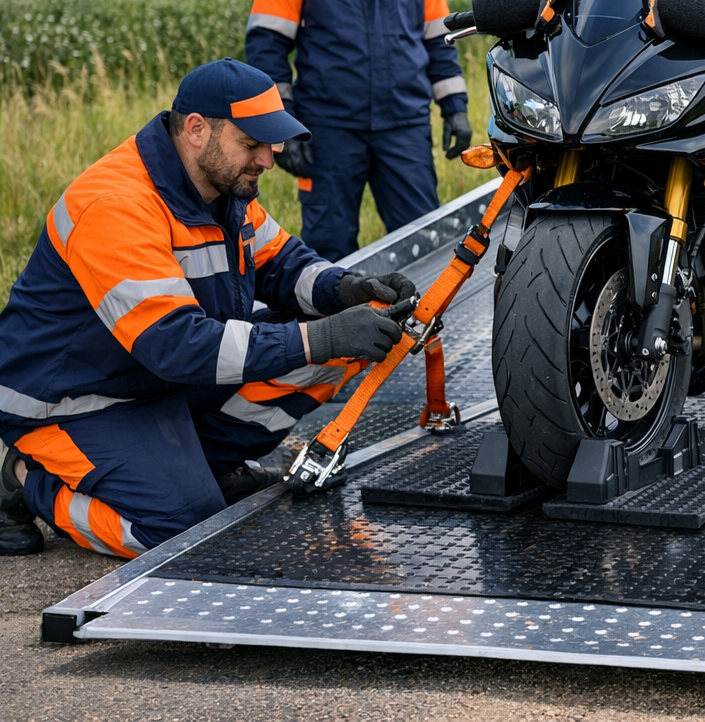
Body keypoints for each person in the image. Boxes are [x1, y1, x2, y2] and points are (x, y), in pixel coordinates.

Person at [0, 59, 417, 558]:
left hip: (153, 381)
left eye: (274, 143)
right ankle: (25, 476)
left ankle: (207, 465)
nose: (268, 158)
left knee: (335, 347)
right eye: (252, 143)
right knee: (179, 532)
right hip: (74, 402)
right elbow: (177, 345)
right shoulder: (115, 205)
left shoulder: (223, 188)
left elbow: (283, 264)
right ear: (197, 129)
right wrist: (322, 335)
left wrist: (348, 288)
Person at [245, 0, 473, 262]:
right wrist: (283, 126)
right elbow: (266, 49)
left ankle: (422, 329)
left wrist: (455, 108)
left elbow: (439, 45)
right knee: (329, 246)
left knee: (423, 241)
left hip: (404, 126)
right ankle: (332, 328)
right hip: (327, 128)